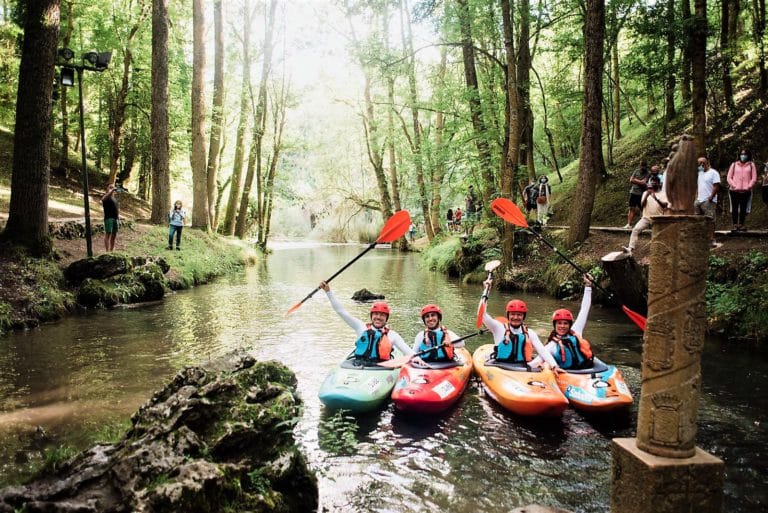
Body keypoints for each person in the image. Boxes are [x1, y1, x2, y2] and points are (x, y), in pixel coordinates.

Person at [319, 281, 413, 361]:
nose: (378, 317)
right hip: (359, 367)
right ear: (371, 316)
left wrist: (420, 362)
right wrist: (328, 292)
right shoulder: (360, 327)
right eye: (376, 314)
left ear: (386, 318)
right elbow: (341, 312)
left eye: (382, 315)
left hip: (382, 370)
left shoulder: (392, 335)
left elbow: (409, 352)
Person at [480, 280, 558, 369]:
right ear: (508, 315)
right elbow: (482, 315)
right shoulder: (499, 328)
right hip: (500, 366)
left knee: (544, 353)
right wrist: (486, 290)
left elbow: (542, 350)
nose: (516, 317)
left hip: (522, 368)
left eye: (519, 315)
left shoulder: (530, 333)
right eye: (512, 314)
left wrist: (554, 366)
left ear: (523, 316)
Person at [531, 275, 595, 371]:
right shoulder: (551, 345)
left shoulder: (576, 331)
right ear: (555, 325)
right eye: (559, 323)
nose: (562, 326)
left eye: (565, 323)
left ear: (570, 325)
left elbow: (585, 309)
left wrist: (588, 286)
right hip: (566, 375)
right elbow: (536, 362)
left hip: (586, 371)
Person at [622, 175, 668, 255]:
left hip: (658, 219)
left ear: (659, 184)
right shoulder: (645, 193)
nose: (653, 184)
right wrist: (647, 195)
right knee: (635, 230)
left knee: (658, 236)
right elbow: (642, 205)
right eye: (652, 182)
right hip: (646, 218)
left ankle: (660, 252)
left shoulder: (663, 194)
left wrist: (656, 198)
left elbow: (665, 205)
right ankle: (630, 249)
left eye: (655, 182)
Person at [726, 149, 757, 232]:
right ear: (739, 155)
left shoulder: (751, 165)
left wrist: (749, 186)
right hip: (734, 191)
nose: (743, 156)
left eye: (745, 154)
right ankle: (734, 225)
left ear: (748, 155)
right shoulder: (734, 164)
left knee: (743, 208)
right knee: (734, 208)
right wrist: (734, 186)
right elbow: (729, 177)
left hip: (746, 191)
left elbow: (754, 178)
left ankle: (742, 224)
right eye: (742, 154)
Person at [694, 156, 721, 247]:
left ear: (707, 163)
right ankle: (701, 239)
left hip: (709, 200)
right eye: (699, 163)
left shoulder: (713, 173)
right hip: (699, 200)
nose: (701, 165)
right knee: (698, 220)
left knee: (710, 220)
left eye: (703, 163)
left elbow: (716, 186)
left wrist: (711, 197)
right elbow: (698, 186)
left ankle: (711, 239)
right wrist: (696, 197)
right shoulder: (699, 173)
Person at [624, 161, 650, 228]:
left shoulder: (648, 173)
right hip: (633, 192)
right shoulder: (636, 171)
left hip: (641, 194)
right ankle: (629, 224)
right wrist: (639, 181)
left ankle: (644, 225)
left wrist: (635, 180)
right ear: (640, 165)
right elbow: (631, 180)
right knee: (631, 208)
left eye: (644, 166)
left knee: (643, 209)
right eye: (641, 166)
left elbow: (644, 183)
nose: (642, 167)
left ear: (646, 166)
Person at [101, 182, 119, 252]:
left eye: (113, 187)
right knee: (108, 234)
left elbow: (117, 209)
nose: (112, 189)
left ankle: (111, 250)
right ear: (107, 189)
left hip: (115, 219)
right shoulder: (106, 197)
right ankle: (107, 251)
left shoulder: (114, 199)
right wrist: (112, 190)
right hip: (109, 218)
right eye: (110, 187)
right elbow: (103, 199)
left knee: (114, 235)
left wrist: (118, 218)